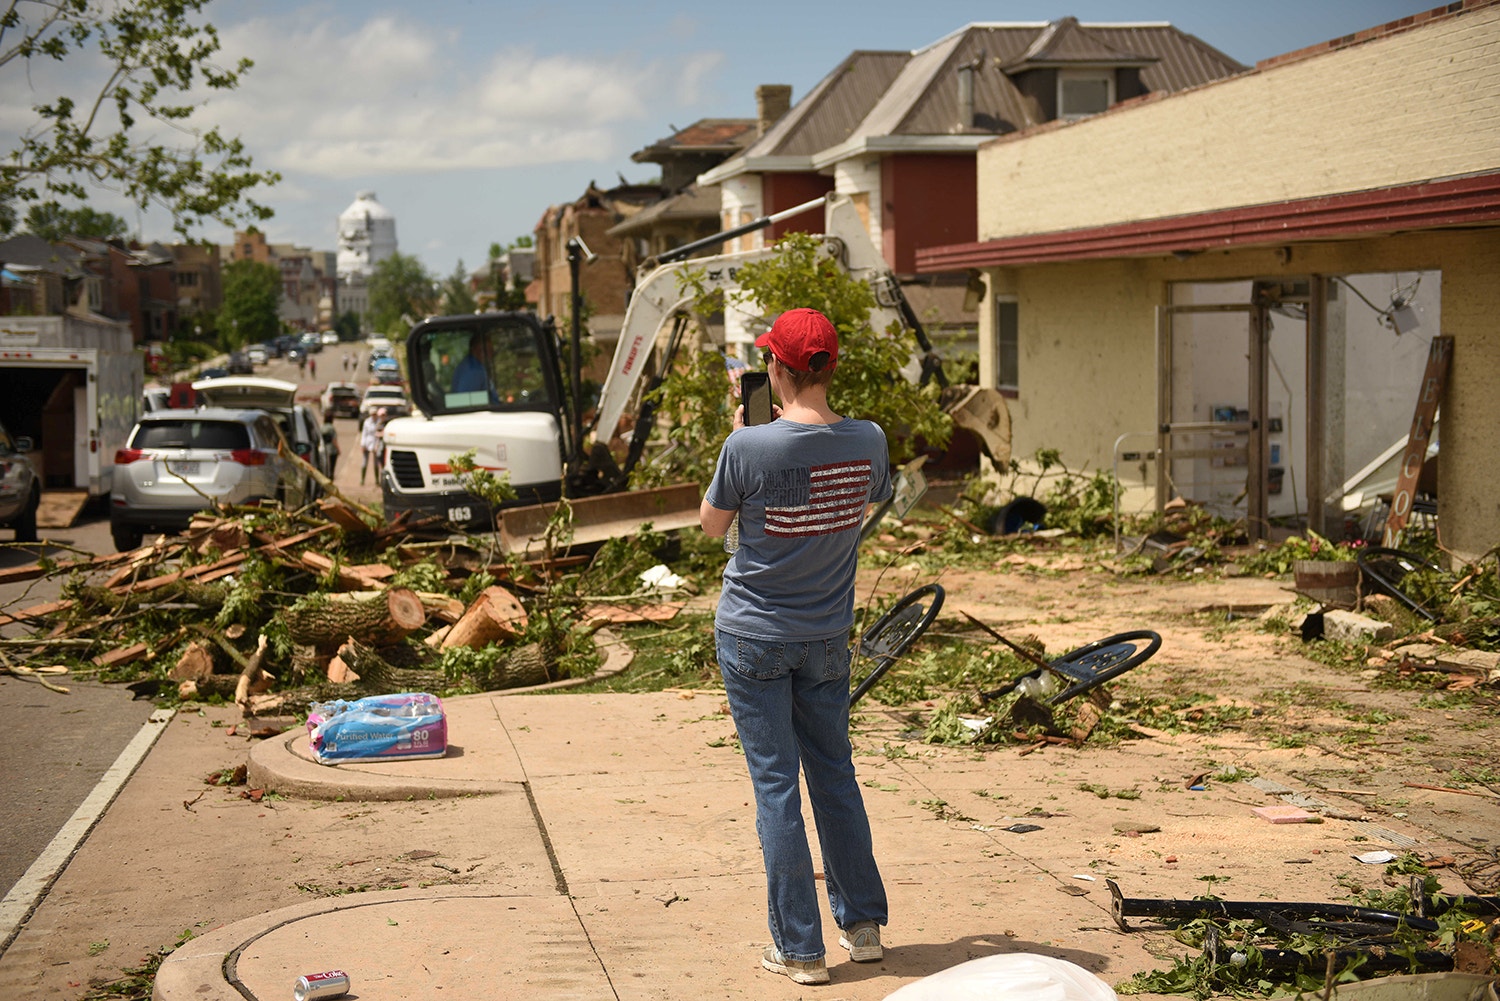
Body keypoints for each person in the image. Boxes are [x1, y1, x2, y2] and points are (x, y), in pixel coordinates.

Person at [699, 307, 892, 986]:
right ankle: (863, 927)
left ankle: (801, 951)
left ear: (775, 367)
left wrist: (741, 441)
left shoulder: (748, 447)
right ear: (831, 365)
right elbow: (860, 502)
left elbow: (711, 526)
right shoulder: (869, 440)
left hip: (753, 634)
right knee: (834, 774)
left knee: (776, 787)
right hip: (826, 637)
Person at [451, 332, 498, 402]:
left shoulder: (471, 365)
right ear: (475, 350)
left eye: (491, 350)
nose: (490, 354)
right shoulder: (474, 371)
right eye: (487, 350)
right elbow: (464, 401)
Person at [359, 407, 386, 485]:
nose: (374, 415)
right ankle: (362, 479)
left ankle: (376, 480)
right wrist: (363, 445)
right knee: (365, 462)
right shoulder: (367, 422)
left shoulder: (379, 421)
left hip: (375, 443)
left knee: (375, 463)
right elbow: (364, 434)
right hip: (367, 442)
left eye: (375, 414)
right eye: (372, 414)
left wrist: (377, 445)